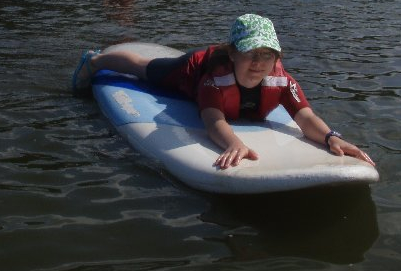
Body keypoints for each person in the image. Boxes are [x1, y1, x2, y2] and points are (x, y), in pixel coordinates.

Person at [72, 14, 375, 170]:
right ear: (232, 54)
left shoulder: (284, 82)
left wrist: (330, 137)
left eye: (267, 55)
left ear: (277, 58)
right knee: (143, 68)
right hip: (190, 71)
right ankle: (96, 60)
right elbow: (212, 119)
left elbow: (305, 116)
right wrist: (234, 143)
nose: (258, 63)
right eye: (250, 54)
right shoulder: (215, 80)